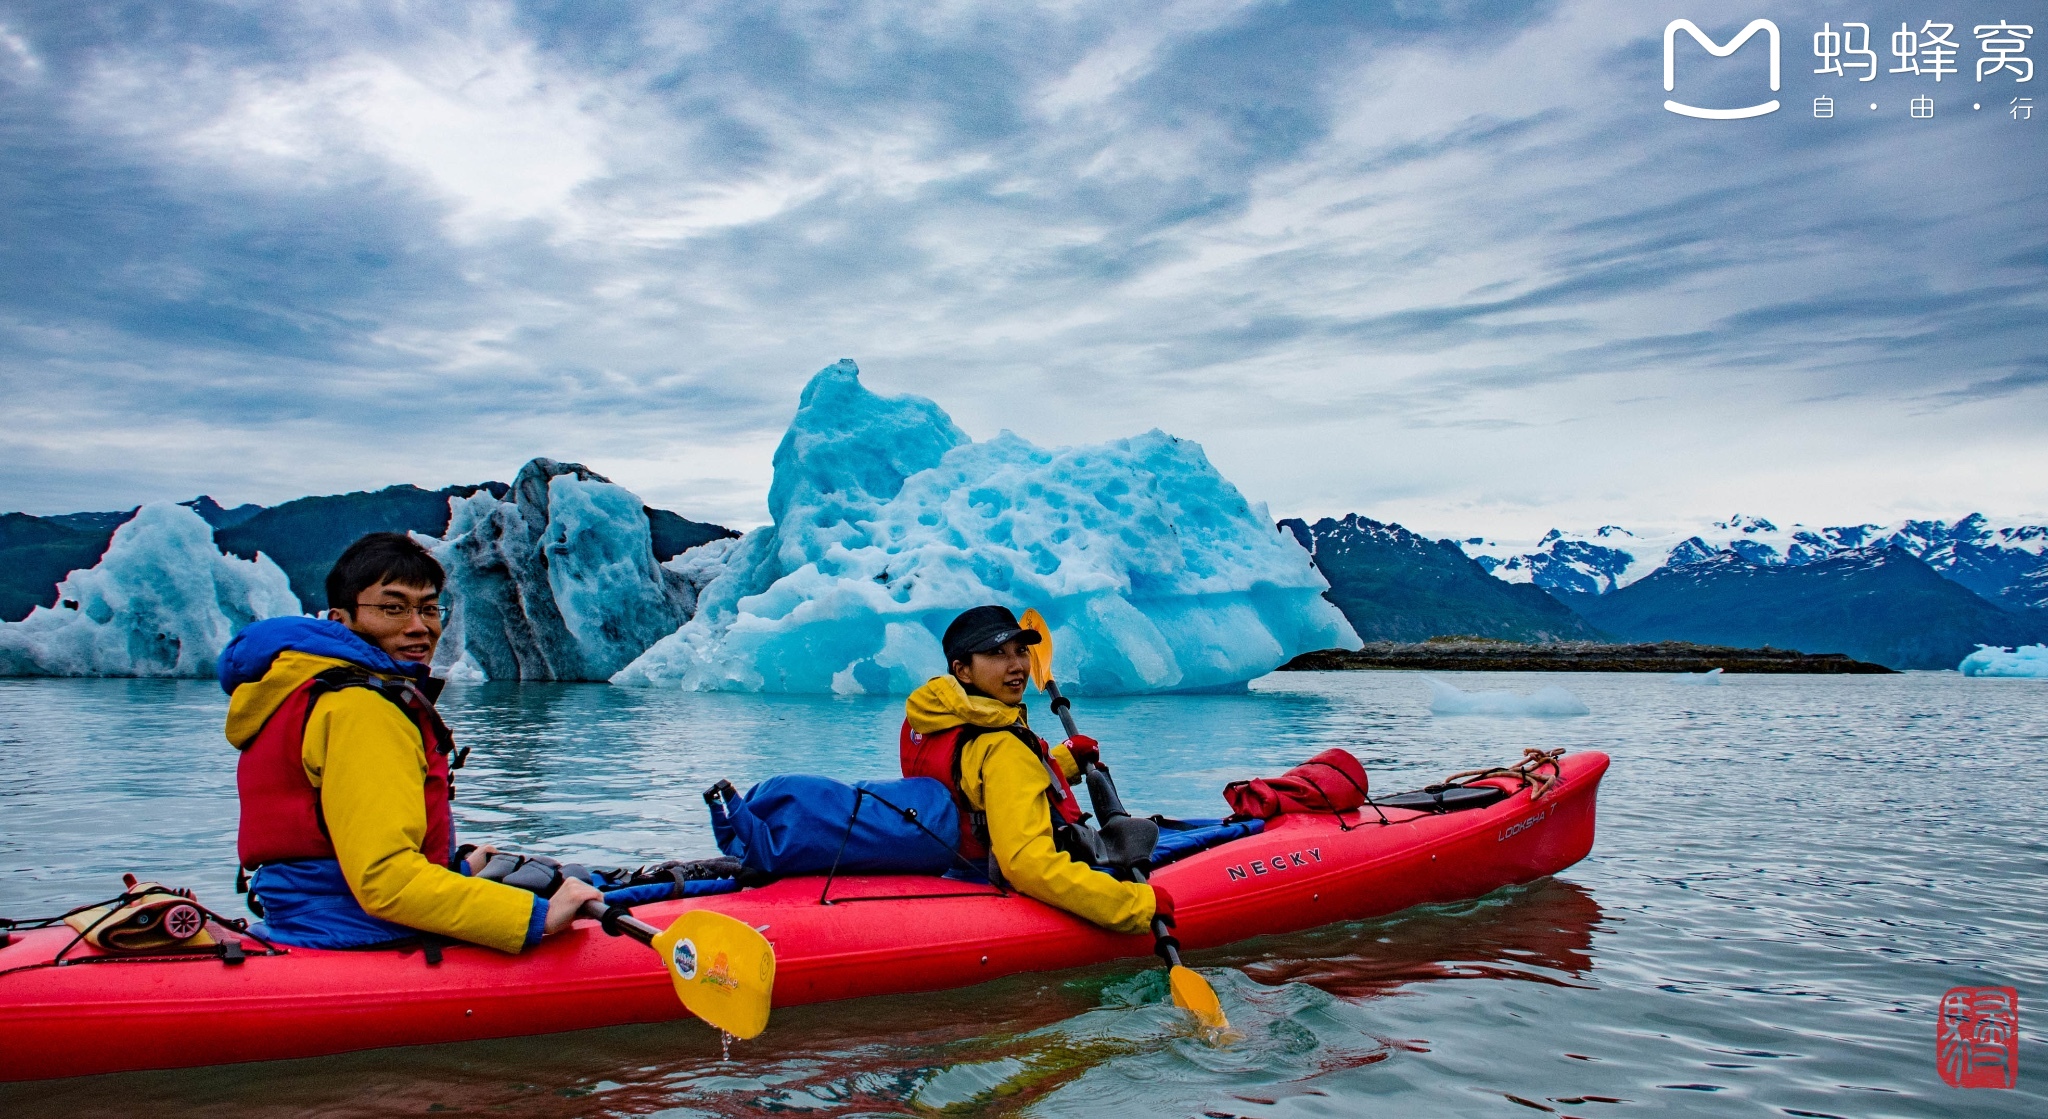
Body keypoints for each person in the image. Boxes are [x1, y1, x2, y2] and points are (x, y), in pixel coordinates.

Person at [218, 532, 601, 951]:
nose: (419, 627)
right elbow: (385, 881)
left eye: (429, 608)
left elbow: (335, 849)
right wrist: (538, 918)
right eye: (393, 609)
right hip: (357, 931)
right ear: (340, 620)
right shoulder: (359, 709)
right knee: (604, 894)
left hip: (305, 918)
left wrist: (449, 868)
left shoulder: (308, 693)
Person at [899, 605, 1170, 935]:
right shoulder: (1004, 748)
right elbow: (1027, 863)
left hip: (955, 865)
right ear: (963, 670)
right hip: (994, 876)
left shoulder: (927, 720)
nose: (1017, 667)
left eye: (1022, 651)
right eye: (997, 653)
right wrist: (1135, 905)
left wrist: (1063, 761)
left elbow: (972, 781)